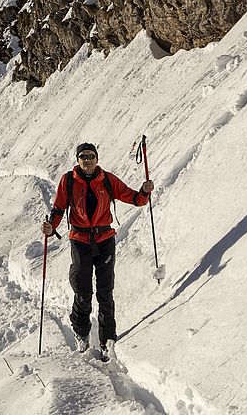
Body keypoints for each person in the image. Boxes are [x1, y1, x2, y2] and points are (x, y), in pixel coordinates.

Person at [41, 142, 153, 355]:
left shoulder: (107, 180)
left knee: (105, 292)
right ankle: (81, 331)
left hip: (104, 239)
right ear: (78, 159)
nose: (87, 160)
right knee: (83, 292)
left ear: (97, 159)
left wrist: (144, 192)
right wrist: (50, 228)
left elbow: (133, 198)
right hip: (80, 240)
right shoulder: (68, 181)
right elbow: (58, 208)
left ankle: (107, 342)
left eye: (91, 156)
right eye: (83, 156)